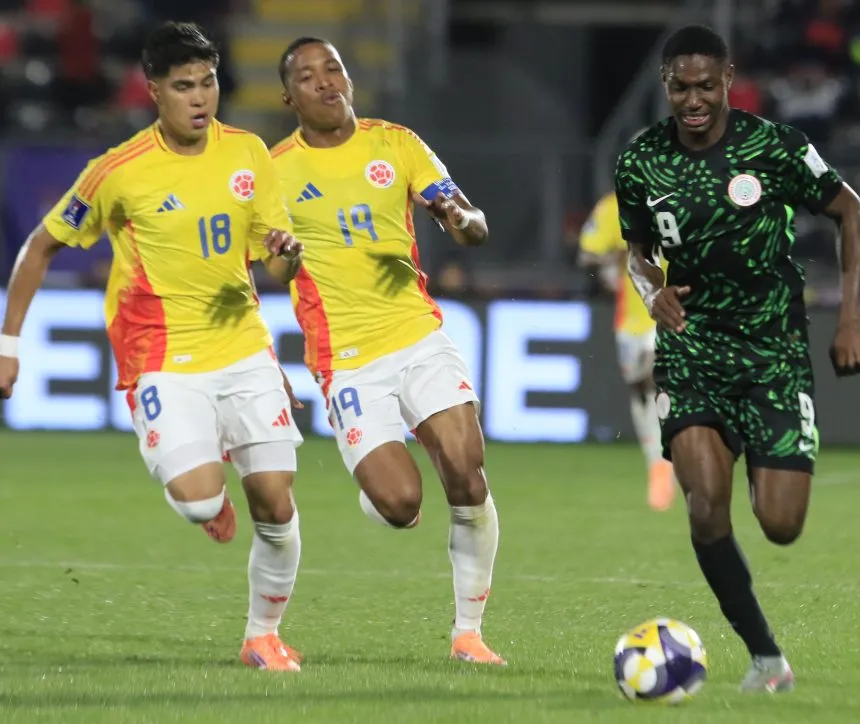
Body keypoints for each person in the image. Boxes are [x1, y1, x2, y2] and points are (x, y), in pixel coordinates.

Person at [0, 22, 307, 673]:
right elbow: (41, 246)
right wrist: (8, 343)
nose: (200, 98)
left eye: (209, 82)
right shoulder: (118, 171)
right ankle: (208, 486)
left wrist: (286, 252)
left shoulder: (249, 152)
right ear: (154, 91)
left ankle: (262, 636)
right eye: (184, 86)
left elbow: (273, 260)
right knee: (199, 500)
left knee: (277, 502)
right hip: (161, 358)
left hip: (244, 348)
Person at [615, 25, 860, 692]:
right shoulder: (641, 161)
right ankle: (766, 658)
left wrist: (850, 318)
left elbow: (849, 211)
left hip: (772, 353)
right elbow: (637, 252)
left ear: (728, 79)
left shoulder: (774, 146)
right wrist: (652, 292)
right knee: (705, 507)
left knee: (781, 524)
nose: (693, 100)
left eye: (706, 86)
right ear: (665, 85)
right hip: (693, 351)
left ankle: (768, 470)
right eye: (680, 87)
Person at [272, 37, 504, 665]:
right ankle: (380, 492)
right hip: (346, 357)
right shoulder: (274, 171)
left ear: (348, 78)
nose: (326, 81)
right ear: (288, 97)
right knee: (401, 504)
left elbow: (471, 220)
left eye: (334, 68)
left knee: (466, 470)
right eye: (308, 76)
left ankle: (468, 633)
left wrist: (460, 219)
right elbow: (262, 270)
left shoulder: (397, 143)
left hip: (416, 333)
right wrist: (284, 265)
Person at [577, 190, 675, 511]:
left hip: (674, 310)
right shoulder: (612, 207)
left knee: (654, 376)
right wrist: (616, 258)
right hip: (631, 318)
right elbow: (586, 255)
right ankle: (657, 462)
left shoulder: (683, 196)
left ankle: (669, 459)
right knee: (640, 389)